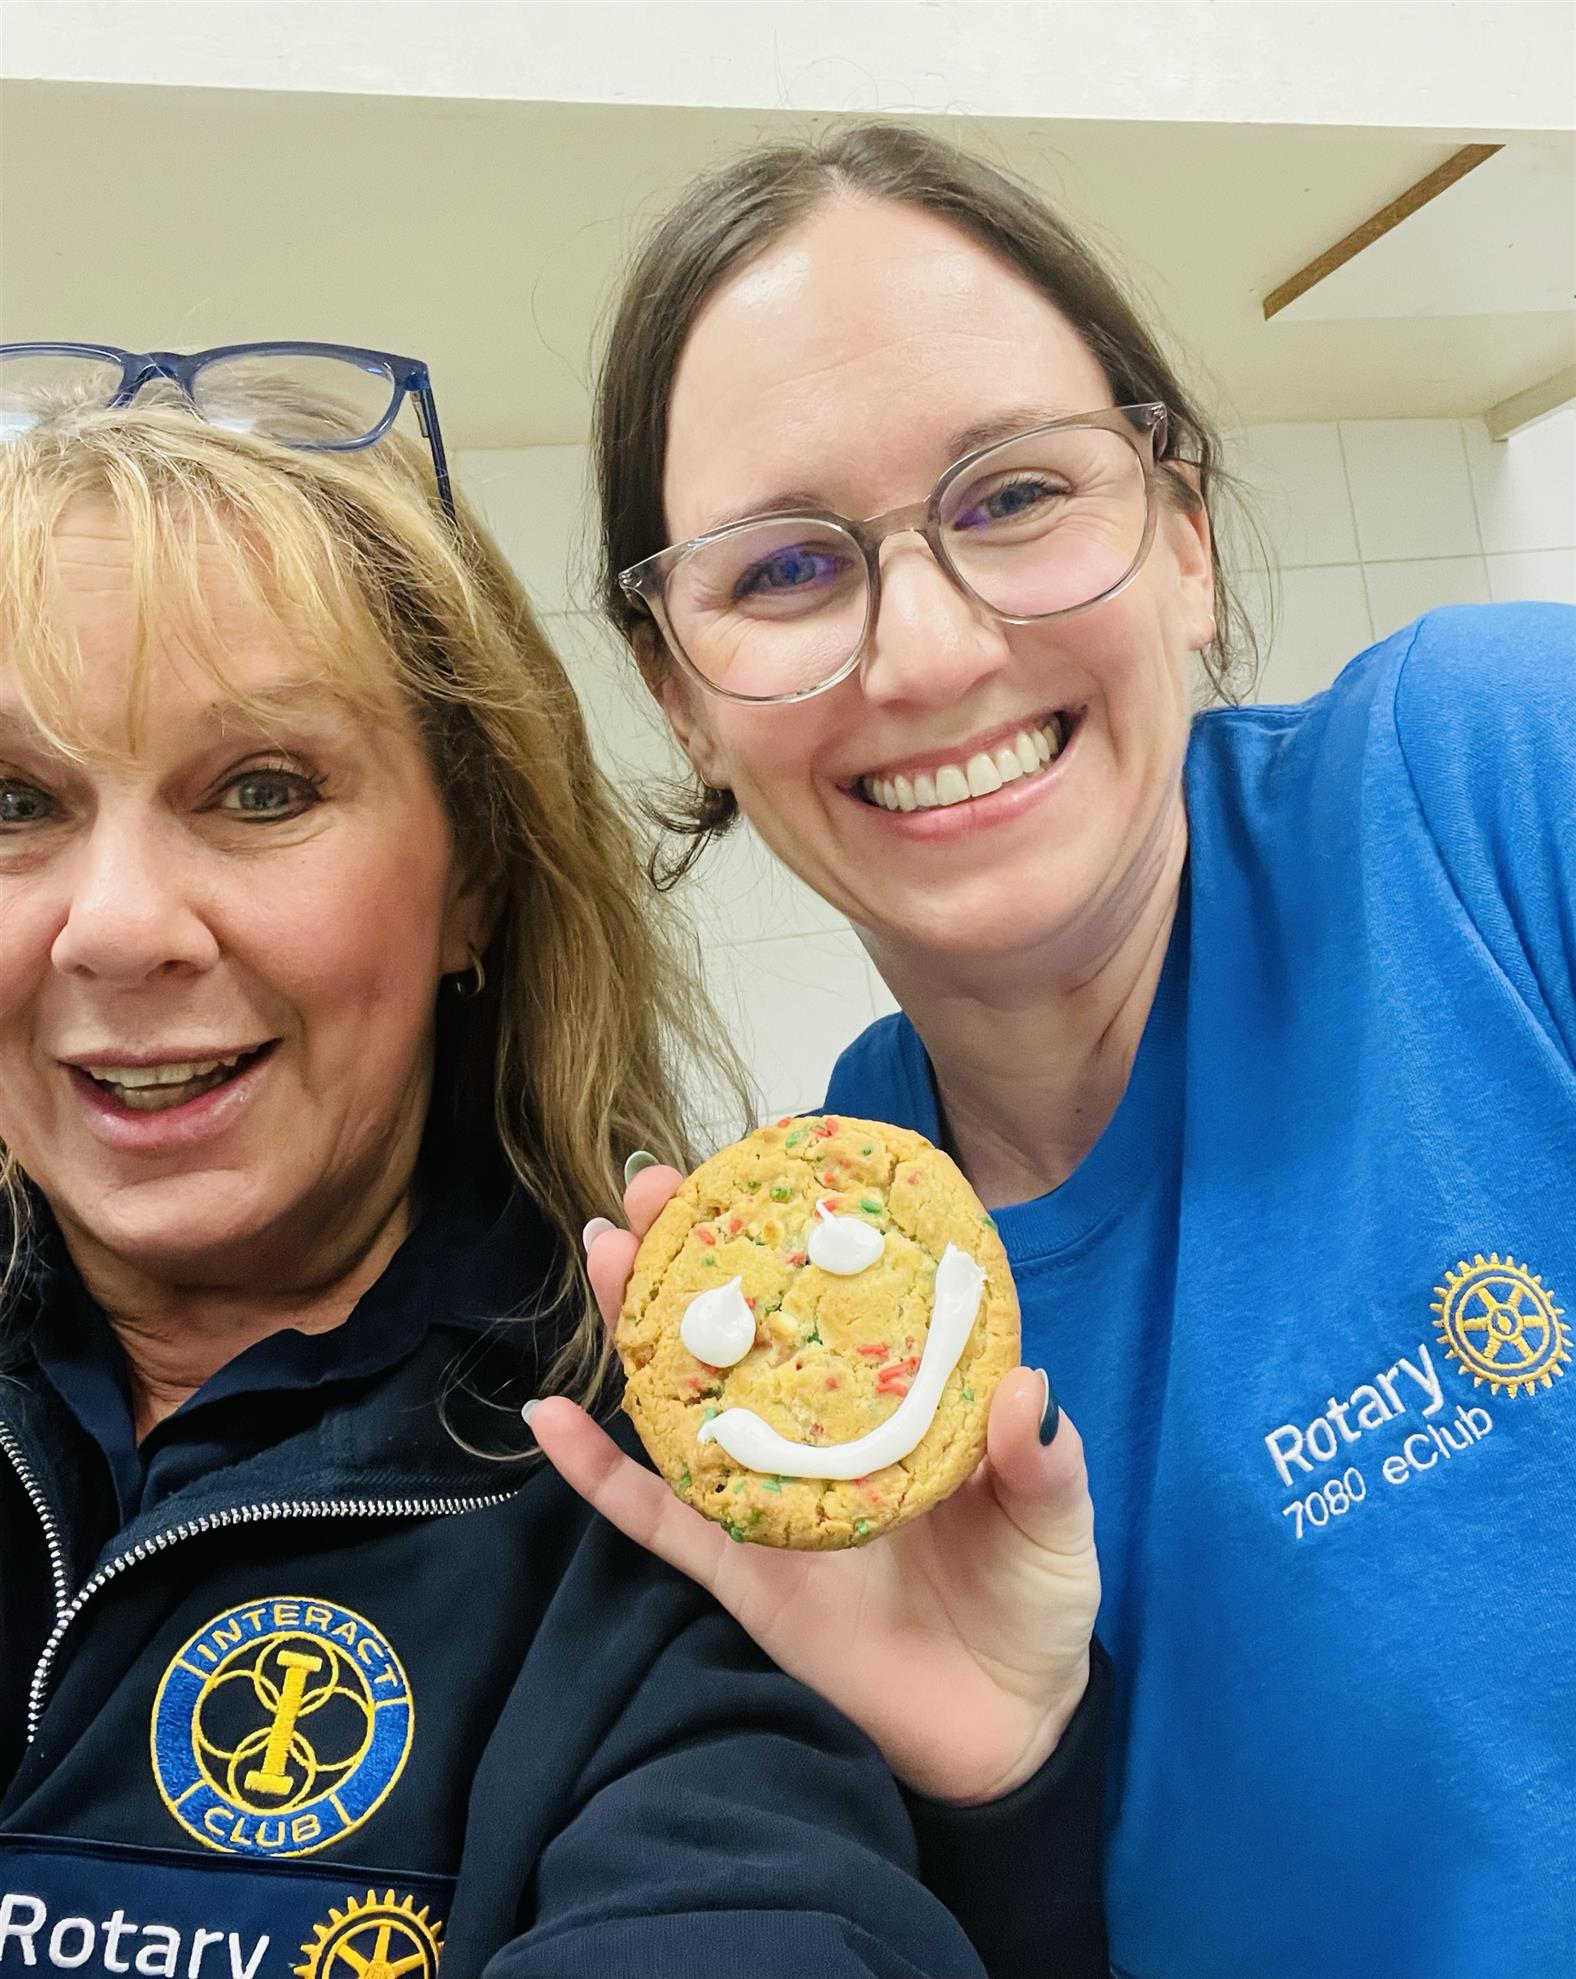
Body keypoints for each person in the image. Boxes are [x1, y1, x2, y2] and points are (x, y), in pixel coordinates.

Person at [531, 123, 1576, 1979]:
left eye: (1013, 496)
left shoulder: (1496, 788)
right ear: (678, 695)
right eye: (783, 570)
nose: (925, 651)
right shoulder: (827, 1321)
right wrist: (1009, 1788)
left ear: (1180, 537)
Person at [0, 347, 1091, 1976]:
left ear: (475, 883)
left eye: (263, 789)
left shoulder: (667, 1522)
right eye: (15, 800)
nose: (122, 927)